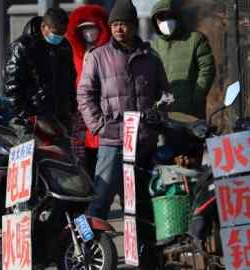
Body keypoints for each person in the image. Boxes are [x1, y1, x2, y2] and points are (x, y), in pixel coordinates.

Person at [77, 0, 170, 268]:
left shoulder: (150, 58)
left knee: (143, 203)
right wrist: (98, 125)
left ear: (133, 26)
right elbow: (84, 95)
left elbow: (166, 93)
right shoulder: (98, 56)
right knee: (100, 200)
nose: (119, 29)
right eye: (115, 24)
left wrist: (160, 113)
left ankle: (146, 256)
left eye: (124, 24)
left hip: (144, 142)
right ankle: (81, 249)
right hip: (113, 142)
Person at [4, 7, 76, 146]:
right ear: (44, 27)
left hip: (59, 120)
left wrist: (72, 108)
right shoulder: (23, 46)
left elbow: (70, 80)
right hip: (31, 121)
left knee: (62, 162)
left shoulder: (64, 47)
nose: (59, 37)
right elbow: (12, 86)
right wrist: (27, 116)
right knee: (33, 161)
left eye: (63, 33)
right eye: (56, 33)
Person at [151, 0, 215, 119]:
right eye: (161, 18)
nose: (165, 21)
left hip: (191, 113)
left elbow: (207, 69)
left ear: (177, 16)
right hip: (164, 114)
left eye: (169, 16)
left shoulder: (195, 39)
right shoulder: (154, 46)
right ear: (155, 22)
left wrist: (197, 97)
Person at [66, 4, 110, 177]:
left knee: (102, 150)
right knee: (81, 154)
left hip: (101, 108)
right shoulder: (75, 53)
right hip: (79, 111)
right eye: (83, 29)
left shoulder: (108, 52)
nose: (88, 33)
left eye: (92, 28)